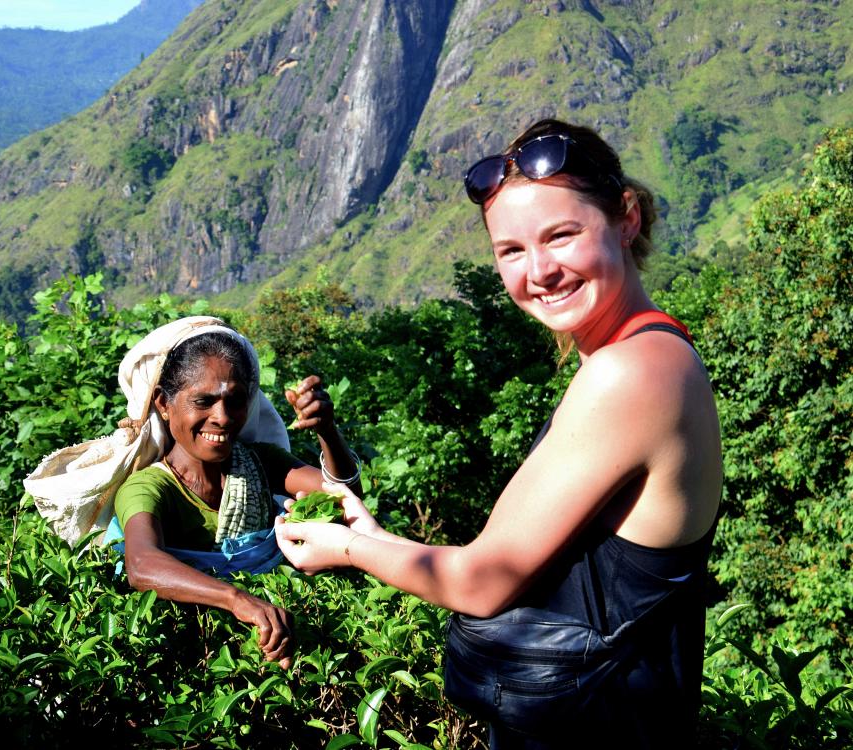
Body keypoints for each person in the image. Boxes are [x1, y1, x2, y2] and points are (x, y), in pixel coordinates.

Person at [275, 119, 722, 747]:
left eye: (561, 235)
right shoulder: (647, 352)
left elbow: (481, 583)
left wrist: (345, 550)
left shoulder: (631, 373)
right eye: (511, 250)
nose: (539, 271)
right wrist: (375, 534)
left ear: (626, 218)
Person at [113, 319, 361, 671]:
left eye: (235, 401)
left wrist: (327, 432)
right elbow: (142, 565)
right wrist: (236, 598)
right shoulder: (149, 488)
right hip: (187, 666)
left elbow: (348, 503)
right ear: (163, 404)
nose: (223, 418)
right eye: (203, 401)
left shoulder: (262, 464)